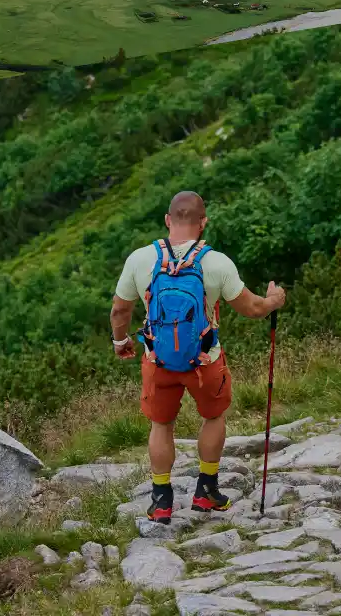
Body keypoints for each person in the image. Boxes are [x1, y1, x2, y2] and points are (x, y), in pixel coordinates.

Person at [109, 191, 286, 524]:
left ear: (167, 220)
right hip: (206, 361)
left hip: (157, 360)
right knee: (213, 417)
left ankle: (161, 500)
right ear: (203, 222)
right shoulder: (217, 263)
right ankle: (206, 491)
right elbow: (253, 308)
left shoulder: (140, 259)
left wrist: (121, 341)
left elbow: (120, 310)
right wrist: (274, 300)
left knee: (161, 424)